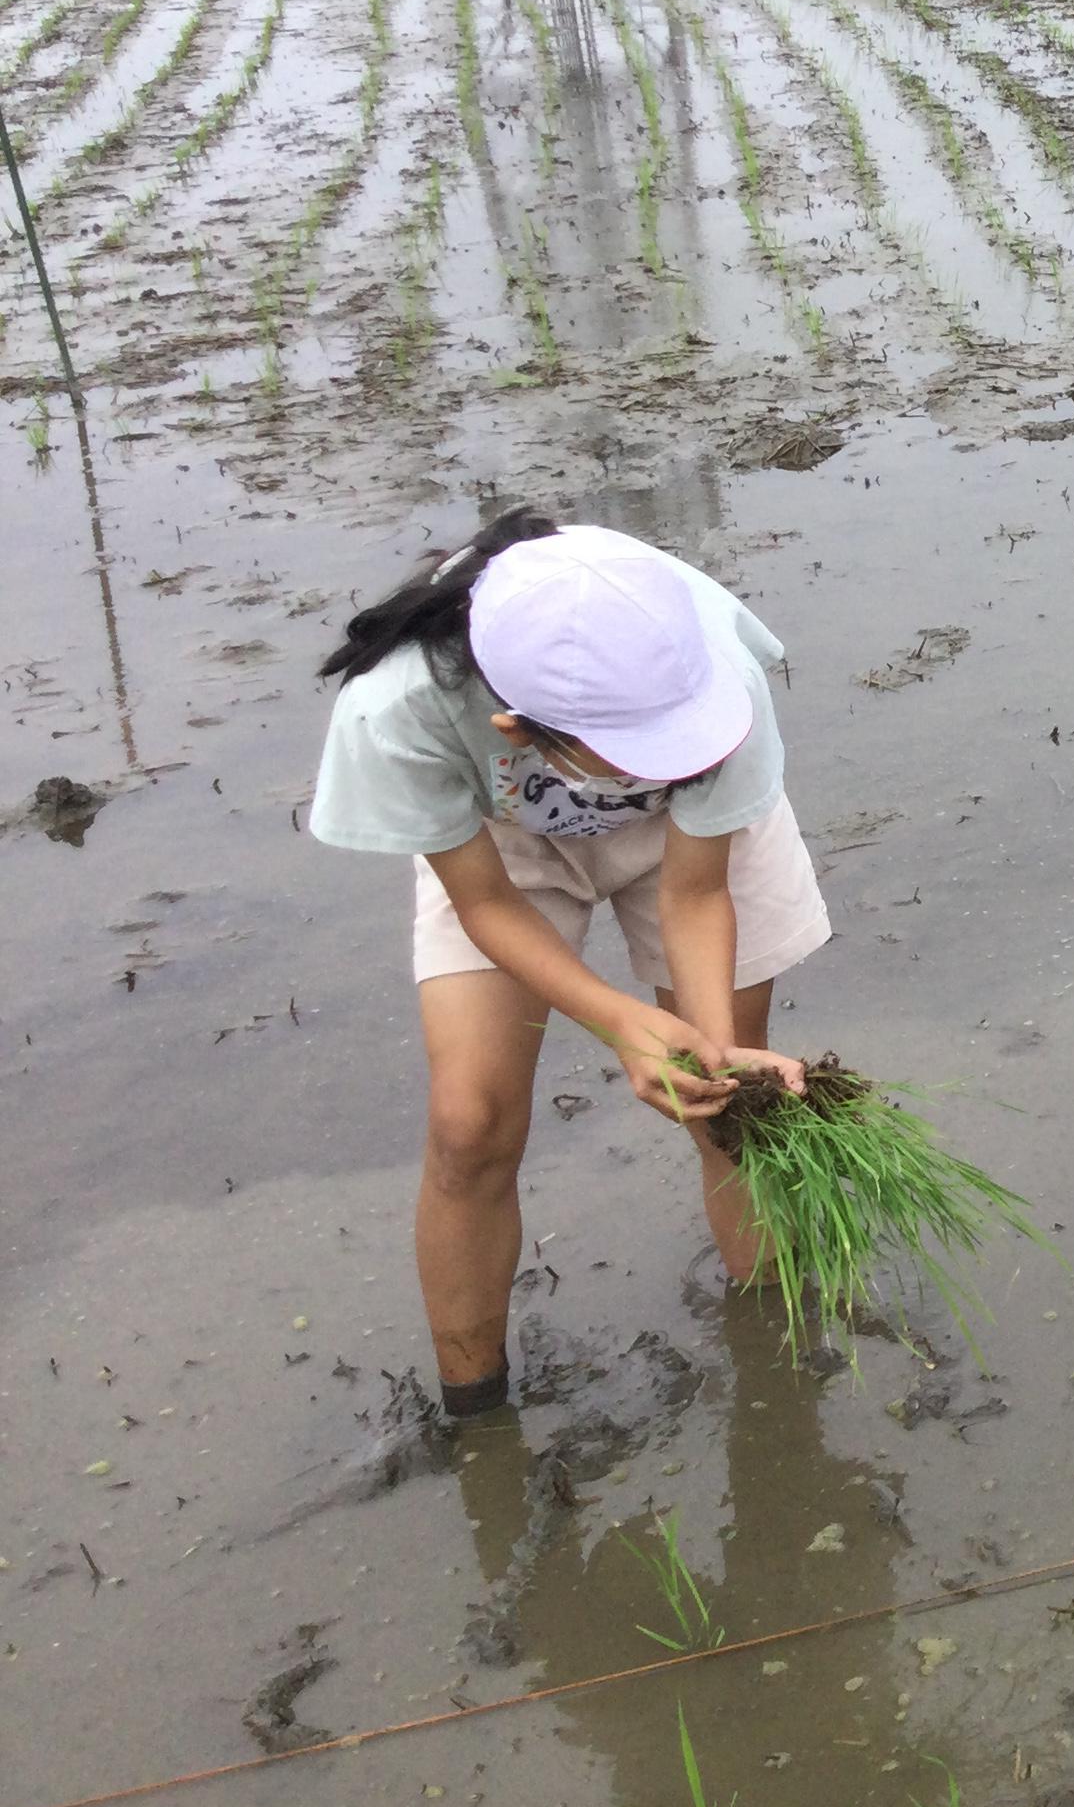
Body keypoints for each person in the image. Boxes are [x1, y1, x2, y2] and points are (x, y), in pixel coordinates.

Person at [310, 510, 822, 1416]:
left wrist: (707, 1050)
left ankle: (776, 1375)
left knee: (729, 1106)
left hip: (687, 846)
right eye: (642, 750)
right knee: (469, 1122)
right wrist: (619, 1022)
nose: (677, 756)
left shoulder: (711, 674)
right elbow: (484, 904)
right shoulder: (400, 707)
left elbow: (697, 893)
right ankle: (475, 1417)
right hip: (503, 847)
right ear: (517, 727)